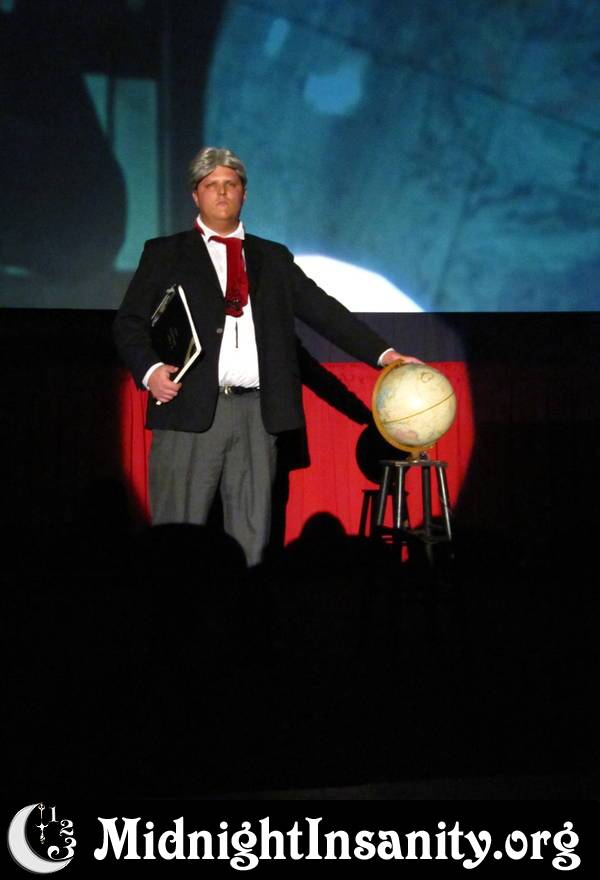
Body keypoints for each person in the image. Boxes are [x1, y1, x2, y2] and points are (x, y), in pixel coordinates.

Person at [113, 147, 421, 565]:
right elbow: (128, 323)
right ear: (195, 195)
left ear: (244, 193)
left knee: (253, 541)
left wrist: (384, 355)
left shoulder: (272, 258)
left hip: (258, 416)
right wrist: (151, 372)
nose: (222, 193)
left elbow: (325, 311)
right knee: (177, 542)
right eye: (211, 185)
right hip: (188, 409)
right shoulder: (166, 252)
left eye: (231, 184)